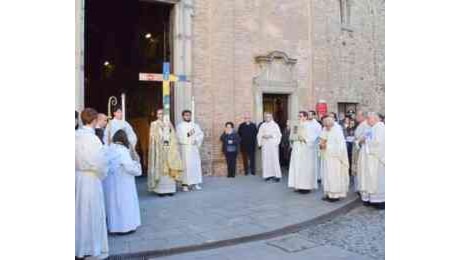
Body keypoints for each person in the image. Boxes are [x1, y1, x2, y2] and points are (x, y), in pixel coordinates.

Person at [75, 108, 109, 259]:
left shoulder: (74, 135)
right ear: (94, 121)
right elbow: (100, 162)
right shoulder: (93, 139)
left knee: (79, 213)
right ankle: (93, 247)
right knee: (93, 213)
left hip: (77, 177)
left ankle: (78, 247)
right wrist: (102, 174)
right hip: (91, 177)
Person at [103, 129, 142, 234]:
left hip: (112, 181)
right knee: (125, 203)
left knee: (115, 204)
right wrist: (137, 166)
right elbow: (129, 167)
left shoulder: (109, 149)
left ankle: (115, 227)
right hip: (124, 182)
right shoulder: (123, 150)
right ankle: (126, 227)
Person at [147, 109, 183, 196]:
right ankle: (161, 191)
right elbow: (152, 135)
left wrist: (170, 128)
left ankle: (170, 189)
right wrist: (159, 140)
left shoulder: (168, 123)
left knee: (170, 167)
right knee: (161, 169)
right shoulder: (154, 124)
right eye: (159, 114)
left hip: (169, 149)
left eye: (162, 114)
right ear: (156, 115)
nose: (161, 115)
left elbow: (174, 134)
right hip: (159, 149)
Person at [288, 111, 321, 193]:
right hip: (296, 148)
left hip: (306, 149)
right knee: (297, 167)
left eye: (301, 116)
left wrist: (305, 139)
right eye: (298, 116)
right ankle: (298, 185)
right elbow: (292, 136)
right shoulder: (296, 125)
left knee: (305, 168)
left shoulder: (309, 126)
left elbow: (313, 137)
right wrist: (292, 138)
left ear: (305, 117)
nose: (300, 118)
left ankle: (306, 187)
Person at [358, 112, 385, 209]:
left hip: (375, 159)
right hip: (367, 159)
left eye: (369, 118)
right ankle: (369, 199)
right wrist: (361, 141)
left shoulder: (380, 127)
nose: (367, 120)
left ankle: (380, 201)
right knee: (368, 178)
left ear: (376, 119)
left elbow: (379, 143)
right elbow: (363, 138)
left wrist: (366, 141)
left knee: (376, 179)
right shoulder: (370, 128)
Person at [319, 117, 349, 202]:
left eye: (328, 126)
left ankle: (335, 195)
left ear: (332, 124)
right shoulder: (325, 129)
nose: (327, 128)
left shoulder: (337, 130)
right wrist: (321, 145)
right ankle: (328, 193)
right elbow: (322, 139)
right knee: (327, 176)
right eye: (325, 126)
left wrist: (327, 146)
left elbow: (341, 146)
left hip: (335, 159)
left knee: (334, 176)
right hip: (326, 157)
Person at [176, 110, 204, 191]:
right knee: (185, 167)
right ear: (183, 116)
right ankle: (185, 184)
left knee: (195, 165)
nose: (188, 117)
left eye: (189, 115)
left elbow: (200, 134)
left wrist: (196, 140)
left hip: (193, 149)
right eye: (186, 115)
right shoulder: (180, 126)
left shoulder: (195, 126)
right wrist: (187, 141)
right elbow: (179, 137)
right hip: (185, 149)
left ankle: (196, 183)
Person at [257, 112, 282, 182]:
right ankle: (267, 175)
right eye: (266, 117)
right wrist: (262, 138)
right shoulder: (262, 125)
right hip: (265, 145)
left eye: (269, 117)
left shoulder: (275, 125)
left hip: (273, 145)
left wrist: (271, 136)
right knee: (266, 160)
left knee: (274, 159)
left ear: (271, 117)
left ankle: (277, 175)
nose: (267, 118)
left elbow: (279, 135)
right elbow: (259, 134)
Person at [352, 111, 370, 193]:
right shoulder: (360, 124)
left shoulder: (366, 125)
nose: (356, 117)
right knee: (356, 167)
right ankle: (358, 187)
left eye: (357, 115)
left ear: (363, 116)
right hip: (357, 148)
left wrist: (357, 141)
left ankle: (361, 188)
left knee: (360, 168)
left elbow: (365, 138)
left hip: (361, 149)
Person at [308, 110, 323, 183]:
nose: (309, 116)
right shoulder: (306, 123)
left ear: (314, 116)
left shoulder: (317, 125)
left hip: (314, 145)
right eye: (308, 115)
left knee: (316, 162)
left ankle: (318, 177)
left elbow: (319, 135)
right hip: (307, 145)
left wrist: (311, 140)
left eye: (310, 115)